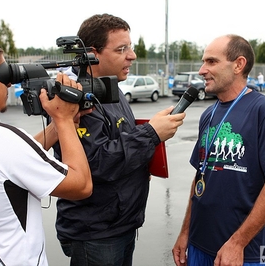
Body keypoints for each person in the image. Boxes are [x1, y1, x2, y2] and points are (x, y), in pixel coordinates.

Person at [0, 36, 93, 265]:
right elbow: (81, 185)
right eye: (4, 74)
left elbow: (6, 164)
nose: (10, 83)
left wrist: (57, 127)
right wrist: (63, 119)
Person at [53, 13, 186, 266]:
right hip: (96, 232)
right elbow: (94, 165)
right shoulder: (76, 97)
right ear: (93, 54)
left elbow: (120, 140)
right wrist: (151, 134)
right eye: (122, 49)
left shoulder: (111, 89)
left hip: (120, 224)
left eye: (131, 47)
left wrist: (145, 148)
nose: (132, 55)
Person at [172, 34, 265, 266]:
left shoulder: (264, 111)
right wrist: (185, 232)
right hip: (198, 245)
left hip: (241, 252)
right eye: (203, 61)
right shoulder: (209, 113)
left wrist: (237, 243)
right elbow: (200, 176)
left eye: (212, 62)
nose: (201, 70)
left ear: (238, 64)